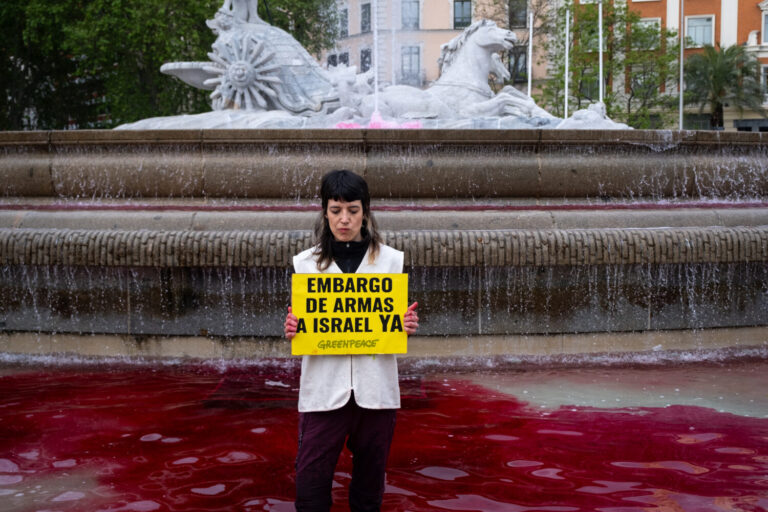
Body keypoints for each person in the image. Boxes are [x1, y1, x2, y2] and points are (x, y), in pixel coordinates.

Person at [284, 169, 418, 512]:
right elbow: (303, 322)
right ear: (324, 212)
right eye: (335, 210)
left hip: (376, 392)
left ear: (366, 212)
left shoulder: (391, 261)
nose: (344, 219)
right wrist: (293, 327)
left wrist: (404, 323)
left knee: (369, 489)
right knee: (310, 489)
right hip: (322, 392)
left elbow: (389, 321)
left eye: (353, 210)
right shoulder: (305, 265)